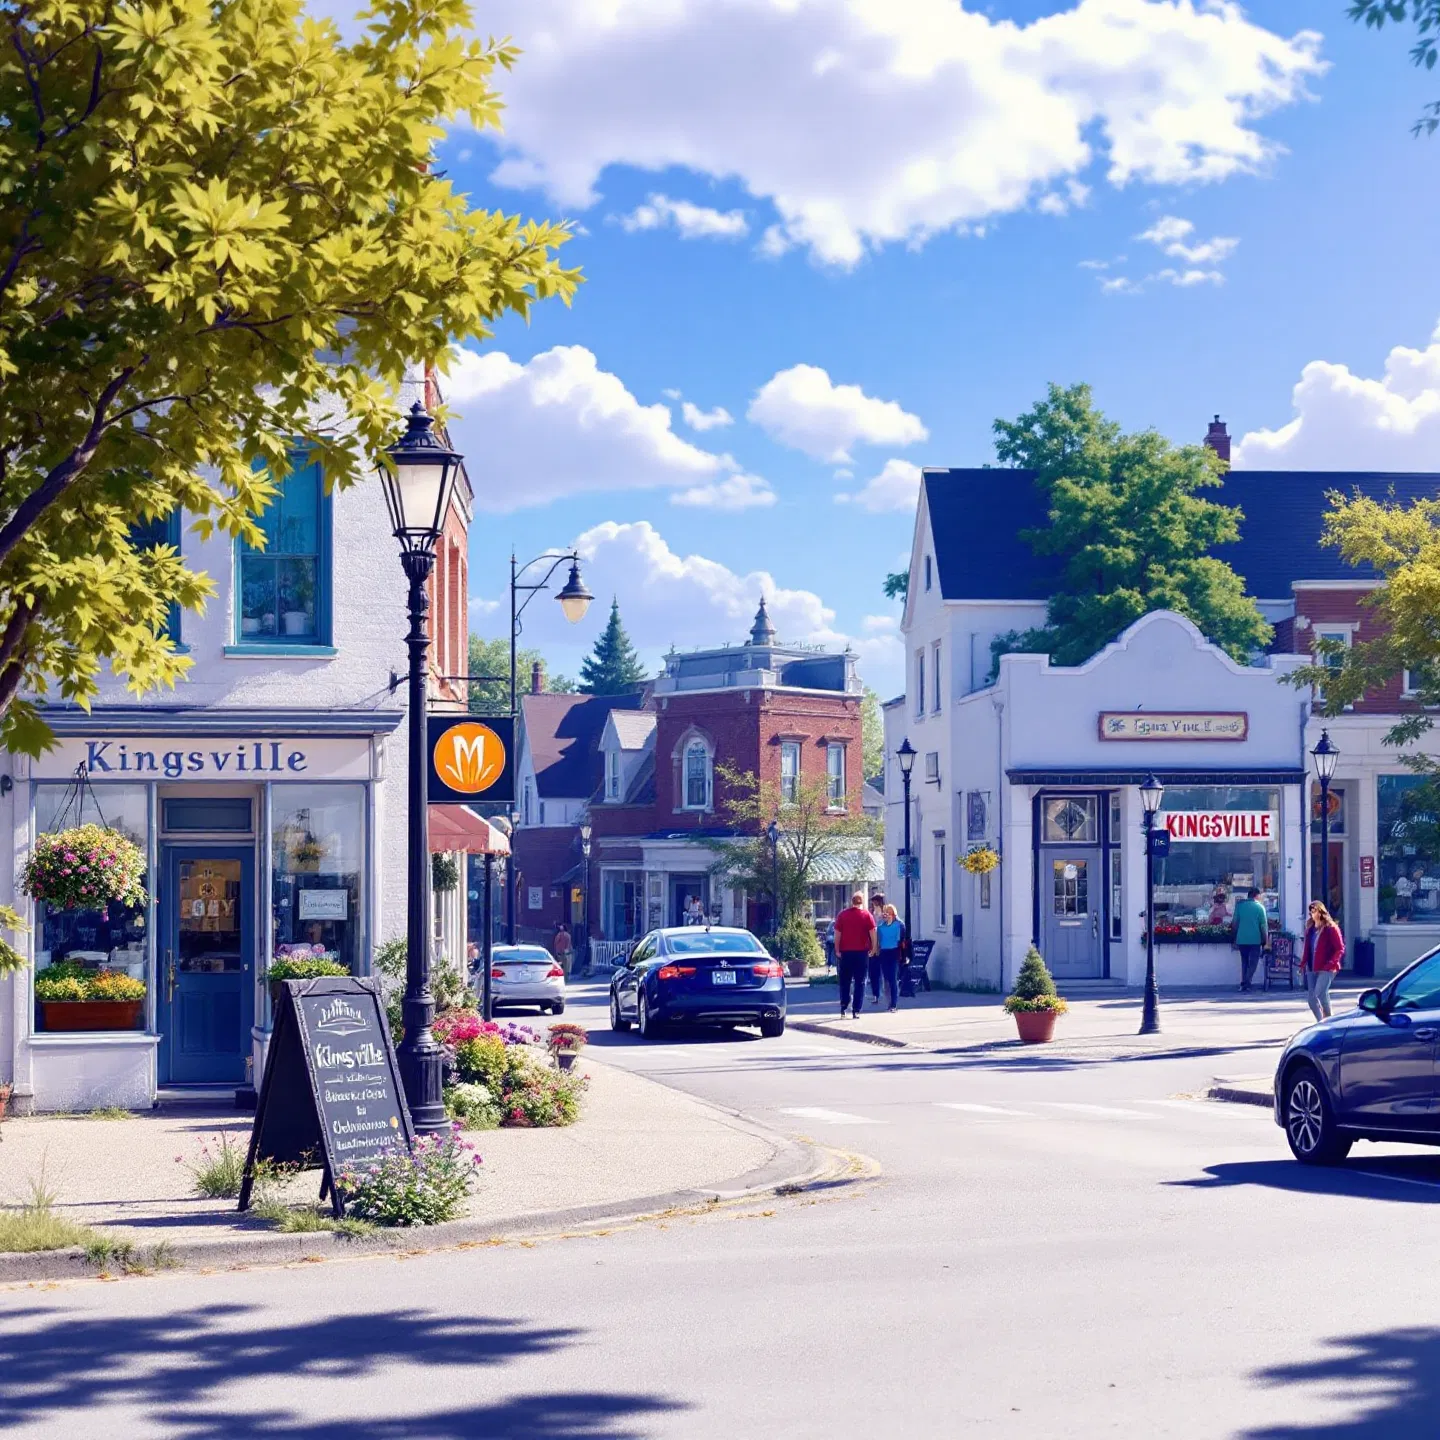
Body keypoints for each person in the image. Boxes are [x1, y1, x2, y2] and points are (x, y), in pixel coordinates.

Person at [832, 891, 878, 1019]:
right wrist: (874, 948)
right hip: (861, 953)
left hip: (846, 953)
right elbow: (873, 933)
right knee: (860, 981)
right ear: (862, 902)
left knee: (845, 981)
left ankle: (843, 1006)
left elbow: (837, 934)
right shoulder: (867, 915)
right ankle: (856, 1009)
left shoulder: (842, 915)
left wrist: (837, 949)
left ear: (851, 901)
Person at [1301, 901, 1345, 1021]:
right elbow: (1307, 948)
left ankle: (1329, 1019)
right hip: (1312, 966)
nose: (1312, 913)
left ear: (1321, 911)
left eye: (1314, 910)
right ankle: (1321, 1022)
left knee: (1320, 992)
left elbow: (1340, 948)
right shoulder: (1310, 929)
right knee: (1311, 1000)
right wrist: (1303, 964)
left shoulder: (1331, 928)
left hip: (1327, 967)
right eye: (1311, 911)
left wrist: (1332, 963)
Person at [1232, 887, 1268, 993]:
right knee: (1253, 963)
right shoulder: (1260, 908)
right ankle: (1246, 982)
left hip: (1241, 939)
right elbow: (1263, 926)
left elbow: (1234, 924)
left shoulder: (1240, 906)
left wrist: (1234, 937)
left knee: (1244, 962)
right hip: (1255, 939)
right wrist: (1265, 940)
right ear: (1256, 895)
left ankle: (1244, 983)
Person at [874, 903, 906, 1012]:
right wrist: (876, 950)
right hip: (883, 952)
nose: (886, 914)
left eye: (888, 912)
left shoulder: (899, 925)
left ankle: (894, 1004)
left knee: (892, 978)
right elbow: (878, 939)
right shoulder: (881, 926)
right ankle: (889, 1002)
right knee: (886, 979)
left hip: (894, 952)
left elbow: (900, 940)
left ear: (893, 914)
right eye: (885, 912)